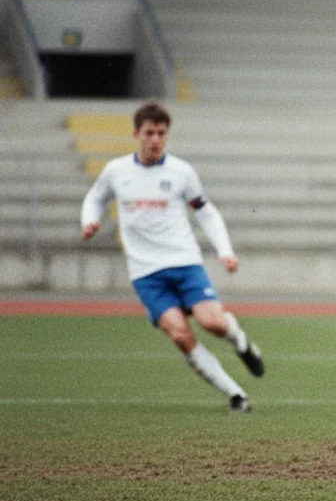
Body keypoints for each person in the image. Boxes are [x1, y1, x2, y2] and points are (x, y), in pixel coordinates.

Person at [80, 101, 264, 412]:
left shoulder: (181, 172)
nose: (155, 139)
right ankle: (236, 394)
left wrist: (225, 252)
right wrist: (90, 220)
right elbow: (95, 198)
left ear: (167, 135)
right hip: (146, 273)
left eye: (161, 133)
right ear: (136, 134)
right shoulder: (116, 171)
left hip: (185, 263)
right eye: (149, 133)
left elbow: (206, 212)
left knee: (213, 323)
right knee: (180, 334)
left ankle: (240, 341)